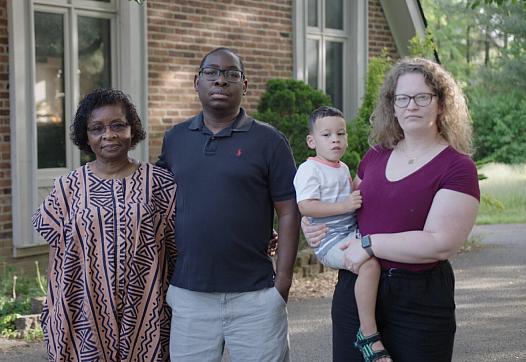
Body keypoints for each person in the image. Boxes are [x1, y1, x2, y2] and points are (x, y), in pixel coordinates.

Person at [302, 58, 480, 362]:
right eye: (402, 98)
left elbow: (440, 243)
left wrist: (370, 243)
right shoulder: (376, 156)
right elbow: (349, 206)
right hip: (355, 292)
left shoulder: (457, 167)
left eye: (422, 97)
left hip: (418, 300)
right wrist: (315, 221)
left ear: (441, 104)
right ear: (392, 106)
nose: (411, 105)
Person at [157, 47, 300, 362]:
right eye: (211, 73)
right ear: (197, 82)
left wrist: (282, 284)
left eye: (231, 74)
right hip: (190, 294)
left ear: (244, 86)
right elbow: (156, 203)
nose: (220, 81)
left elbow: (289, 211)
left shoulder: (270, 142)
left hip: (256, 296)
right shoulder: (175, 139)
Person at [32, 88, 177, 361]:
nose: (108, 135)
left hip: (146, 311)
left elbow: (177, 248)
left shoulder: (159, 183)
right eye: (96, 128)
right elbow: (56, 252)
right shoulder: (67, 187)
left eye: (117, 125)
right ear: (86, 136)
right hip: (82, 312)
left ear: (132, 129)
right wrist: (52, 307)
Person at [293, 106, 390, 361]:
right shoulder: (309, 169)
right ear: (311, 141)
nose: (335, 139)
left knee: (377, 254)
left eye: (340, 133)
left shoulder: (343, 167)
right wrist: (344, 206)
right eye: (326, 135)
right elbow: (305, 206)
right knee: (369, 265)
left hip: (349, 232)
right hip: (329, 238)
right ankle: (368, 332)